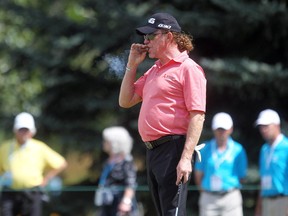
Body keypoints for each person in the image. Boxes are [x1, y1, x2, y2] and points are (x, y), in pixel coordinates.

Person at [119, 12, 206, 216]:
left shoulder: (188, 69)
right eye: (144, 37)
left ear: (168, 37)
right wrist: (132, 65)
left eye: (151, 36)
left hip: (173, 149)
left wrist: (185, 158)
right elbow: (125, 101)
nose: (145, 41)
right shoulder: (155, 70)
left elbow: (198, 115)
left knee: (172, 212)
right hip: (154, 151)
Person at [0, 112, 67, 216]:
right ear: (15, 130)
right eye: (20, 130)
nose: (23, 133)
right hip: (9, 193)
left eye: (26, 130)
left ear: (32, 132)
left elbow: (61, 163)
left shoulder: (39, 147)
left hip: (32, 193)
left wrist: (46, 179)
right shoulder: (5, 147)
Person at [194, 112, 248, 216]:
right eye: (219, 129)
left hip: (231, 197)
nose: (221, 132)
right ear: (214, 129)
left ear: (231, 129)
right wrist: (206, 191)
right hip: (208, 198)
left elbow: (242, 177)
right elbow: (198, 175)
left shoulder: (238, 150)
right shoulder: (205, 149)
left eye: (224, 129)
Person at [94, 126, 138, 216]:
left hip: (119, 203)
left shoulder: (126, 161)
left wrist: (126, 202)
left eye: (106, 141)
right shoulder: (108, 161)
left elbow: (131, 183)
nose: (104, 143)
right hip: (107, 202)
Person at [254, 109, 288, 216]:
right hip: (266, 201)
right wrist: (259, 206)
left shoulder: (286, 147)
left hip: (283, 201)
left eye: (266, 126)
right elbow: (262, 179)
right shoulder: (264, 149)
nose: (263, 130)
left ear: (277, 125)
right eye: (261, 126)